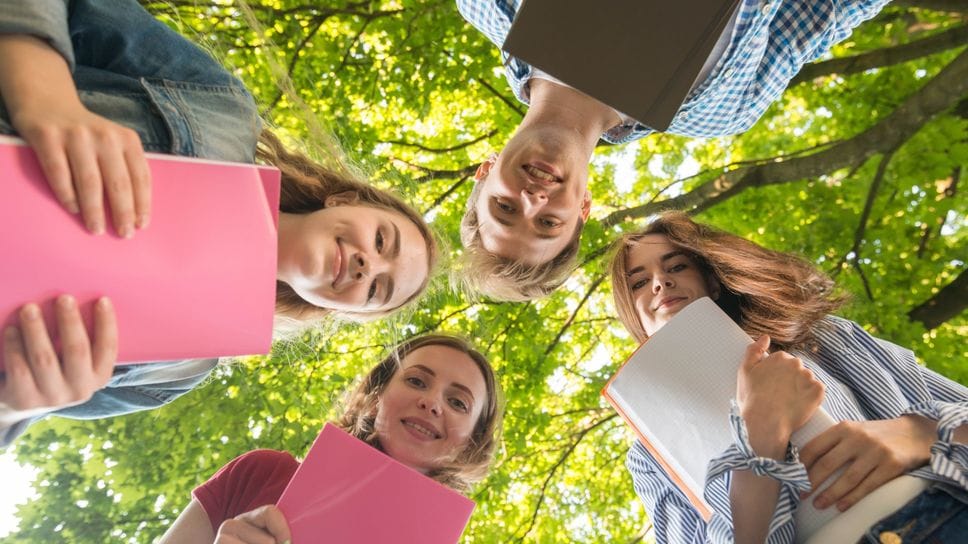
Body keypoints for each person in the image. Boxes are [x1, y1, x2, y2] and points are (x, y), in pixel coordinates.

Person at [0, 1, 437, 447]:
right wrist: (44, 93)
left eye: (376, 290)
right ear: (344, 199)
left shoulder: (175, 370)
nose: (369, 266)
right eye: (382, 240)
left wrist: (16, 406)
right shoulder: (219, 112)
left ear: (338, 311)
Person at [456, 0, 890, 301]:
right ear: (584, 208)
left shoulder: (488, 7)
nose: (532, 200)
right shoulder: (720, 110)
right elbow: (830, 12)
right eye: (549, 223)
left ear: (485, 170)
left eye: (505, 208)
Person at [607, 212, 968, 543]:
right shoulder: (650, 455)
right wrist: (759, 439)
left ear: (712, 284)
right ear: (634, 319)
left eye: (677, 265)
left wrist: (918, 433)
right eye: (639, 283)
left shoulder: (823, 338)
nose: (660, 282)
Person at [156, 333, 503, 544]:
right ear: (374, 398)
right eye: (416, 381)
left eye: (458, 402)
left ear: (471, 444)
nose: (431, 402)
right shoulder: (260, 472)